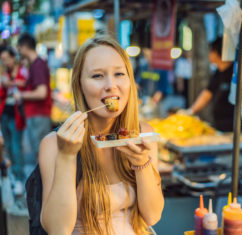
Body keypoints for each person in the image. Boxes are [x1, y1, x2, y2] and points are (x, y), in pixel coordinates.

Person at [39, 35, 164, 235]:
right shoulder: (55, 144)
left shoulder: (142, 134)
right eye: (97, 76)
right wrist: (66, 156)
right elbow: (58, 229)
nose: (111, 85)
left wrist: (141, 163)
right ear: (79, 84)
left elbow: (152, 216)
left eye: (119, 74)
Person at [15, 33, 52, 160]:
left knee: (42, 154)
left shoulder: (37, 65)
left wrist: (21, 95)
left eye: (19, 48)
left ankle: (44, 180)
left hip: (38, 116)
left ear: (25, 47)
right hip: (36, 115)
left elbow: (42, 92)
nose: (19, 51)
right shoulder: (35, 65)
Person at [185, 37, 234, 132]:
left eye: (211, 51)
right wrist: (191, 111)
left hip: (235, 127)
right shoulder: (218, 72)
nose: (208, 54)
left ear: (218, 52)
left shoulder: (236, 73)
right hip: (219, 125)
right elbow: (207, 93)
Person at [0, 47, 28, 194]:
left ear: (13, 57)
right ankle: (13, 176)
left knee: (16, 147)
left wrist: (11, 83)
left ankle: (19, 179)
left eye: (6, 59)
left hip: (16, 114)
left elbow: (26, 85)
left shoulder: (22, 71)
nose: (4, 62)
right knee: (8, 147)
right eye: (2, 60)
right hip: (4, 113)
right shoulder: (6, 73)